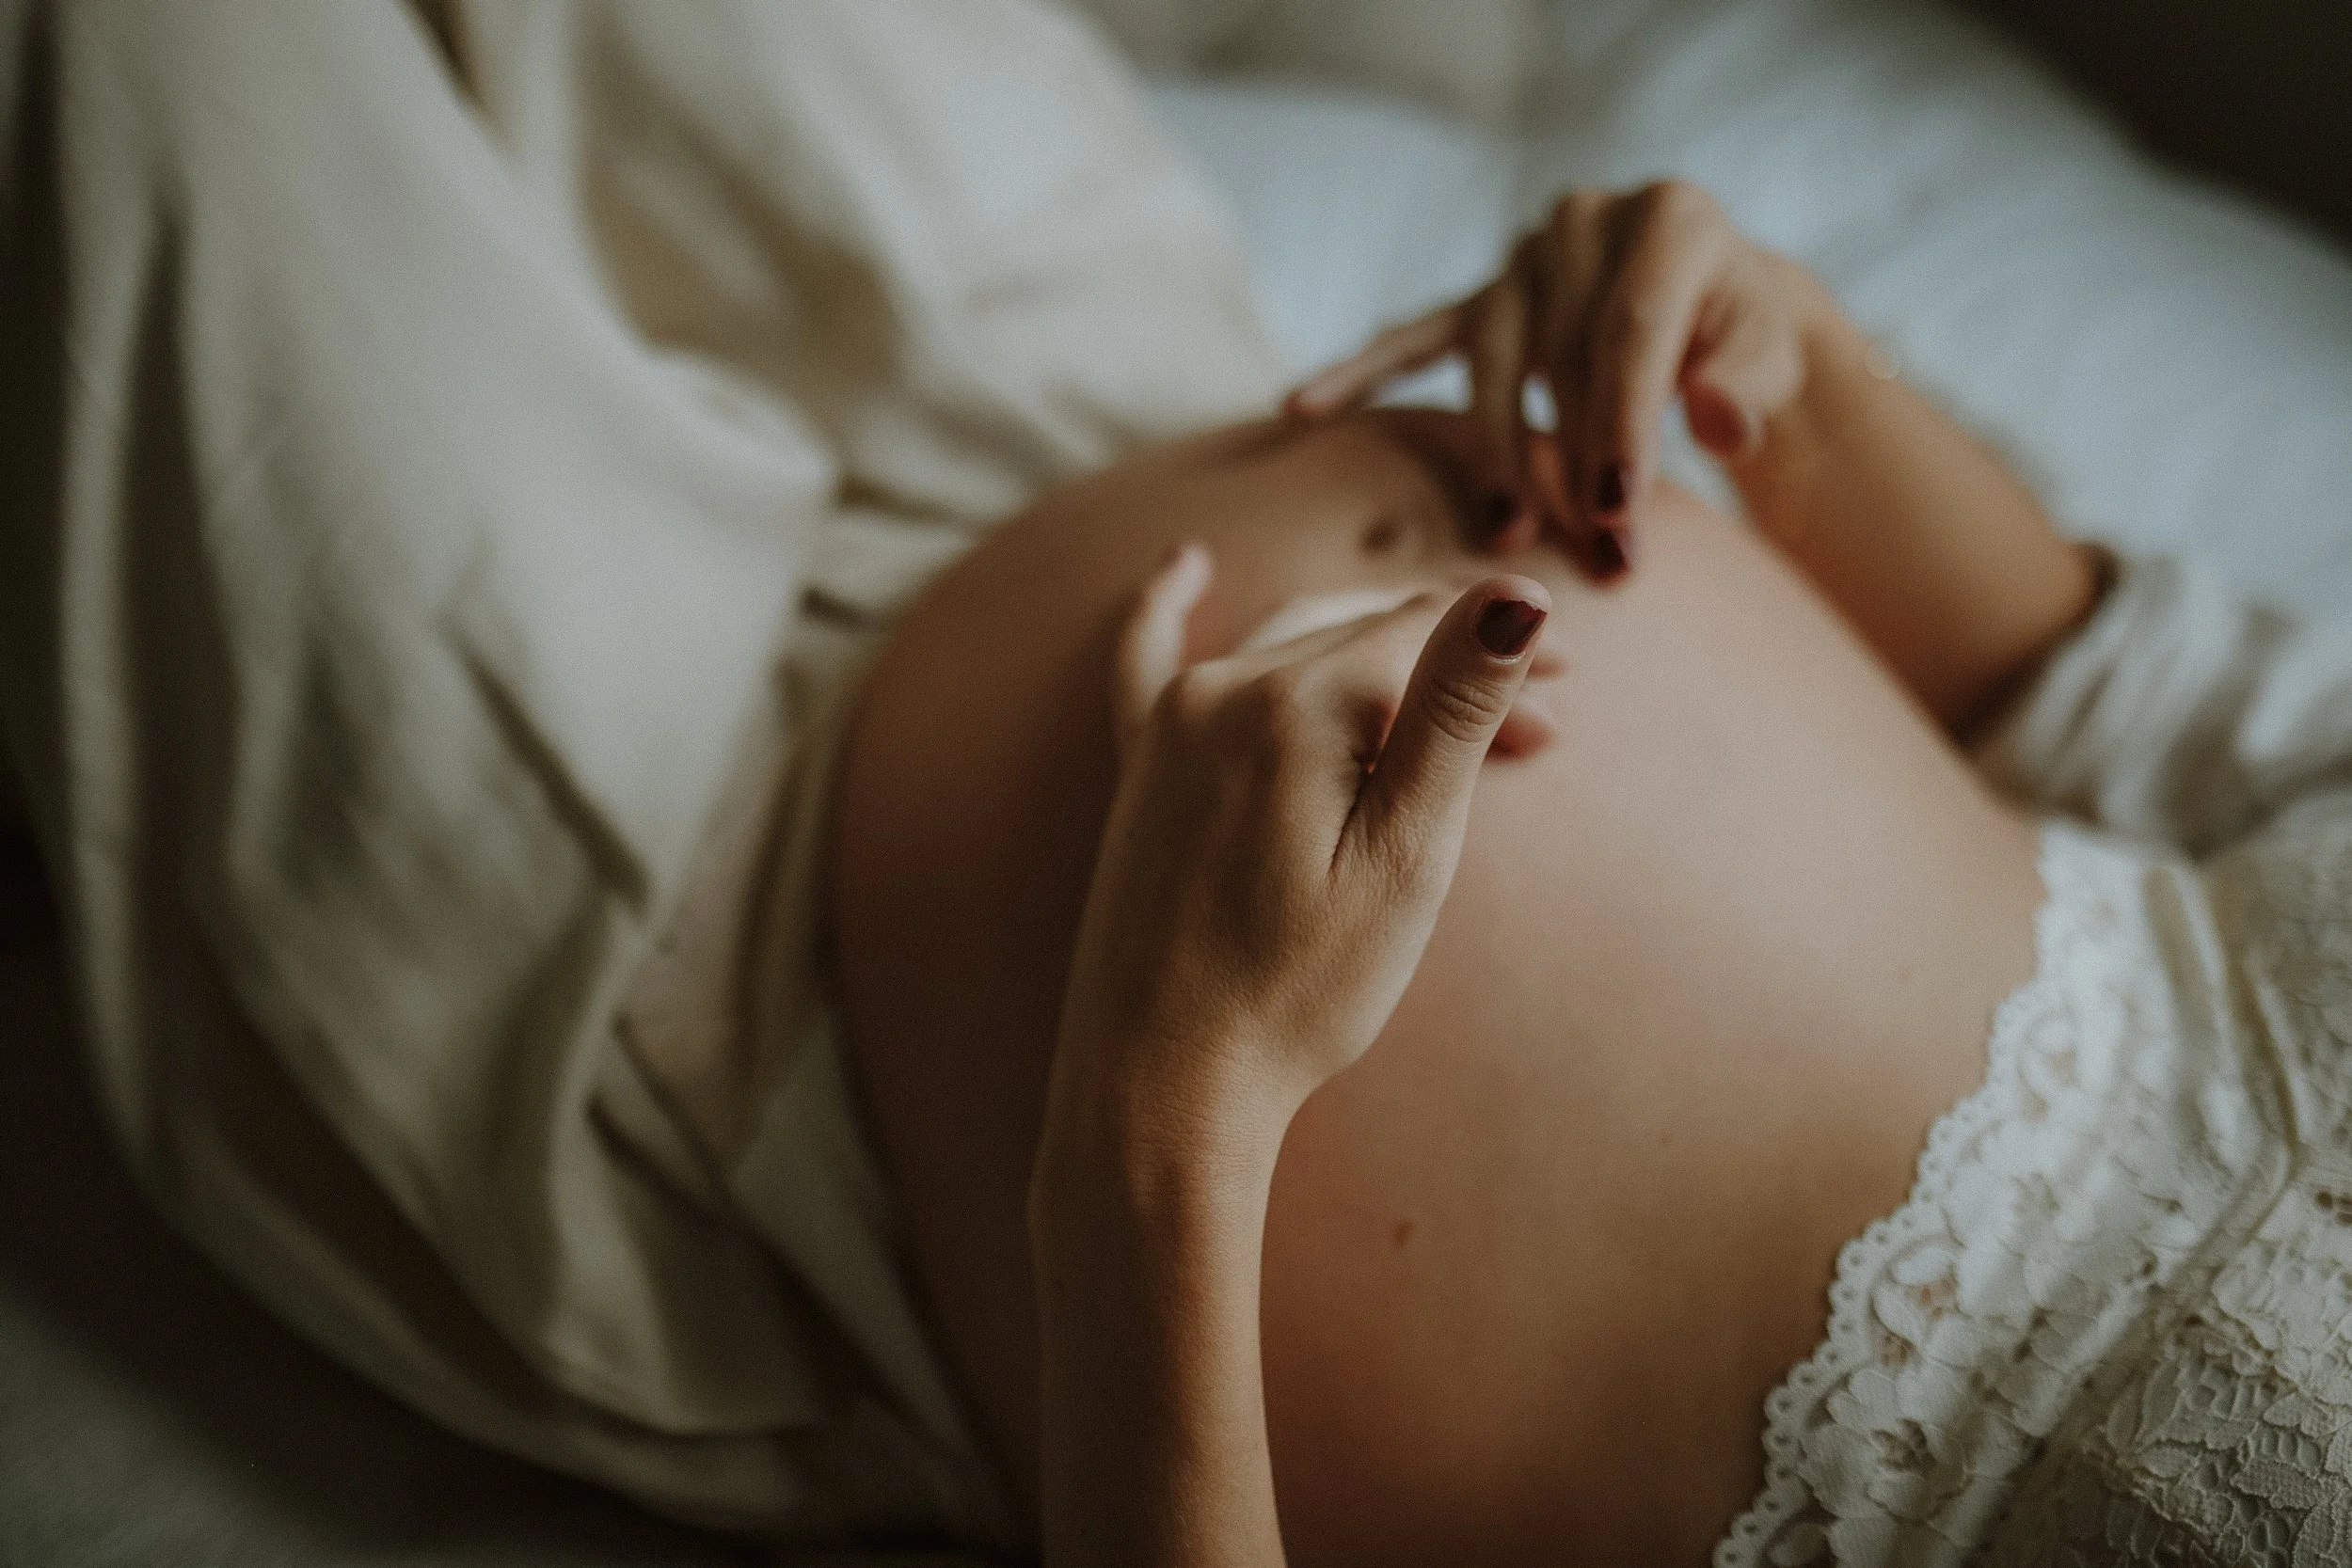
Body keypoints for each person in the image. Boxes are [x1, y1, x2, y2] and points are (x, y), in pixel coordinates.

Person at [834, 182, 2352, 1565]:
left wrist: (1158, 1105)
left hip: (802, 980)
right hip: (1139, 370)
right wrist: (1787, 371)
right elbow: (2113, 692)